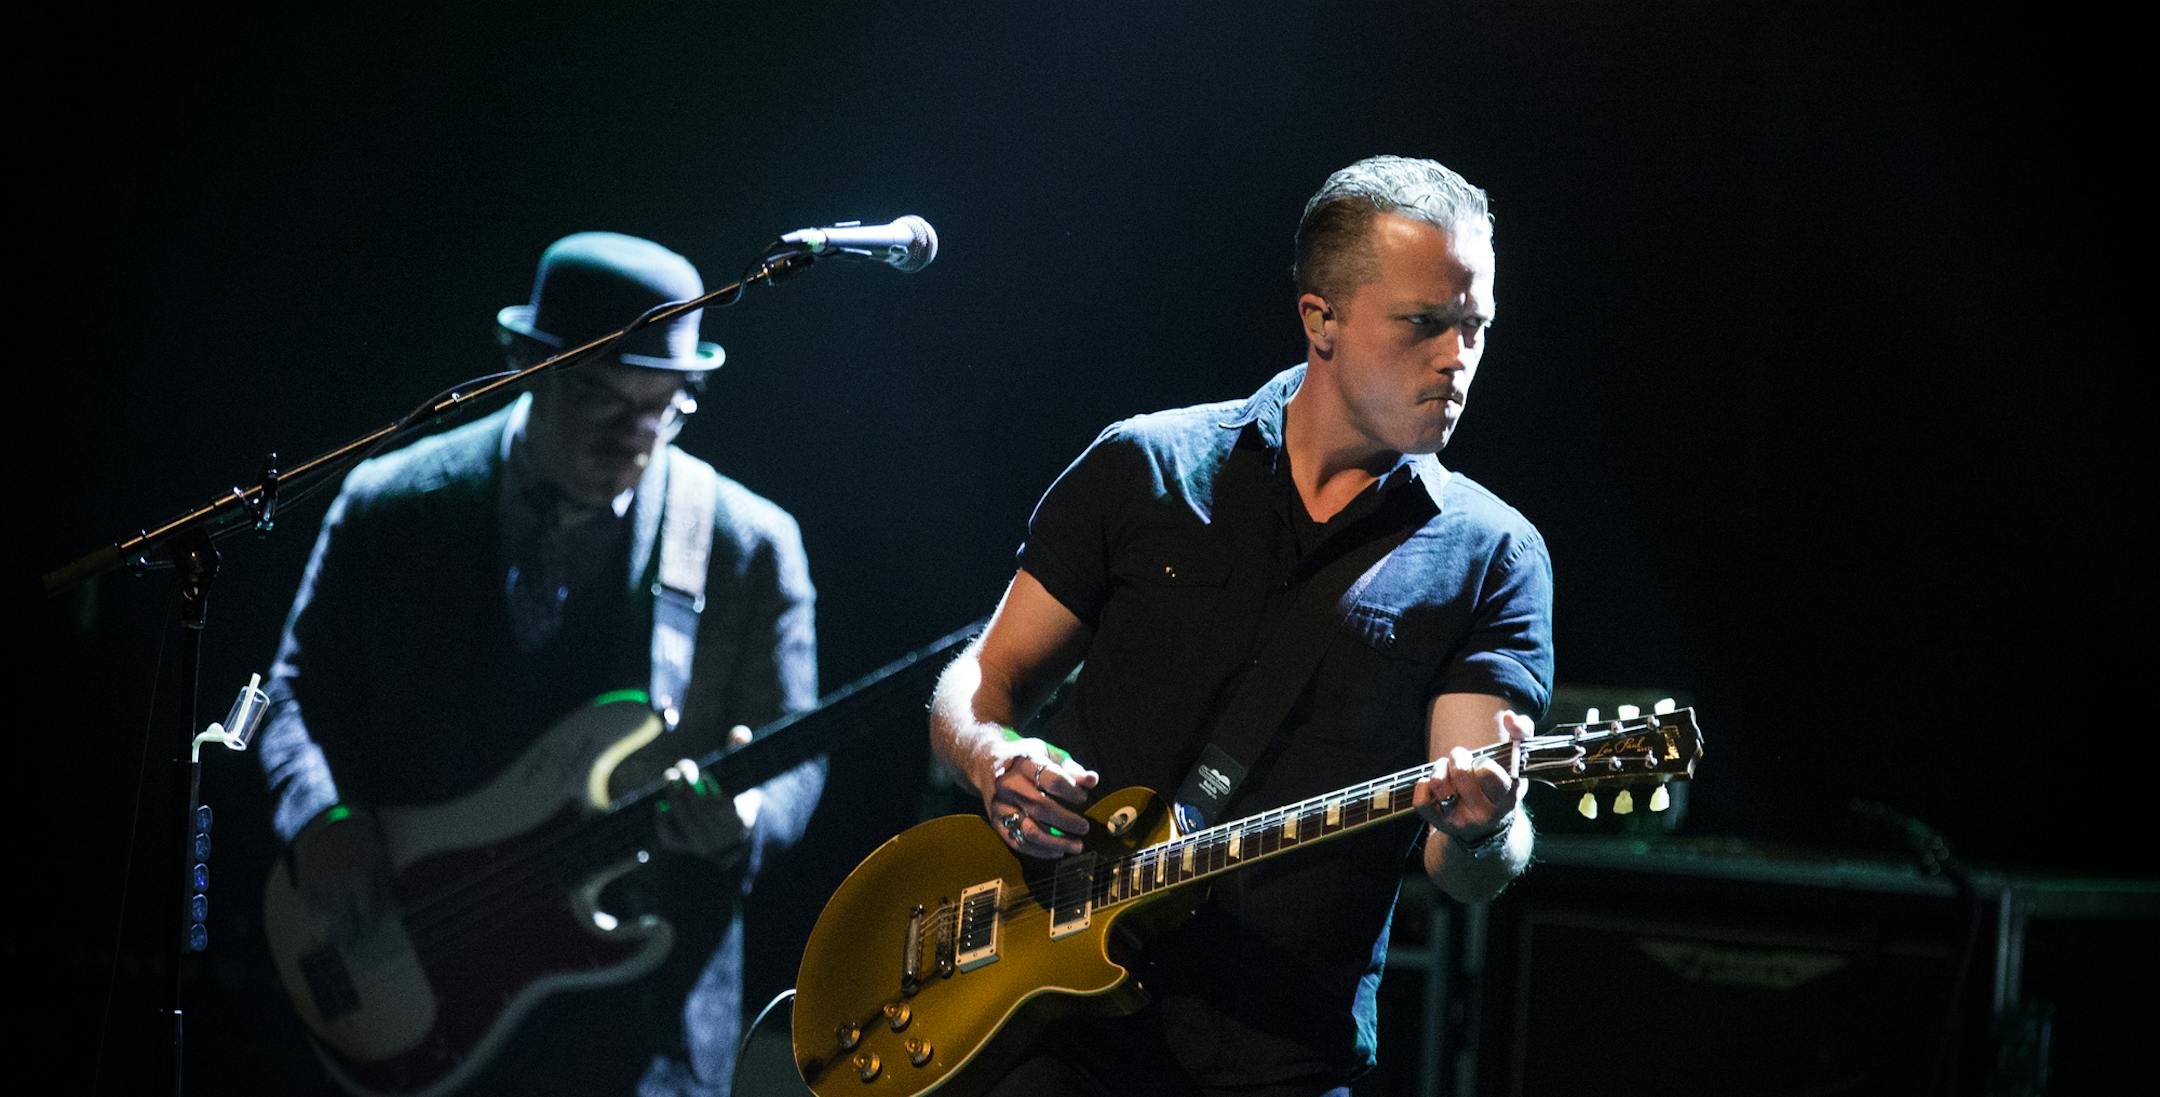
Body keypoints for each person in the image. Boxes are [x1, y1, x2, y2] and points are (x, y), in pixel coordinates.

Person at [928, 156, 1553, 1096]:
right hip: (1045, 1024)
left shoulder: (1493, 553)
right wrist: (990, 757)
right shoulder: (1147, 465)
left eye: (1477, 326)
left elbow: (1466, 857)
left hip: (1275, 1057)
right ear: (1321, 320)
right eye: (1425, 323)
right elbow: (984, 674)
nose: (1456, 357)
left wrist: (1485, 830)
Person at [258, 232, 824, 1096]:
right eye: (601, 397)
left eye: (662, 405)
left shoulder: (750, 545)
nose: (634, 436)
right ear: (526, 365)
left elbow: (798, 747)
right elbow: (293, 689)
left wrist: (748, 815)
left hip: (645, 1025)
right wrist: (319, 817)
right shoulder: (393, 503)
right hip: (416, 974)